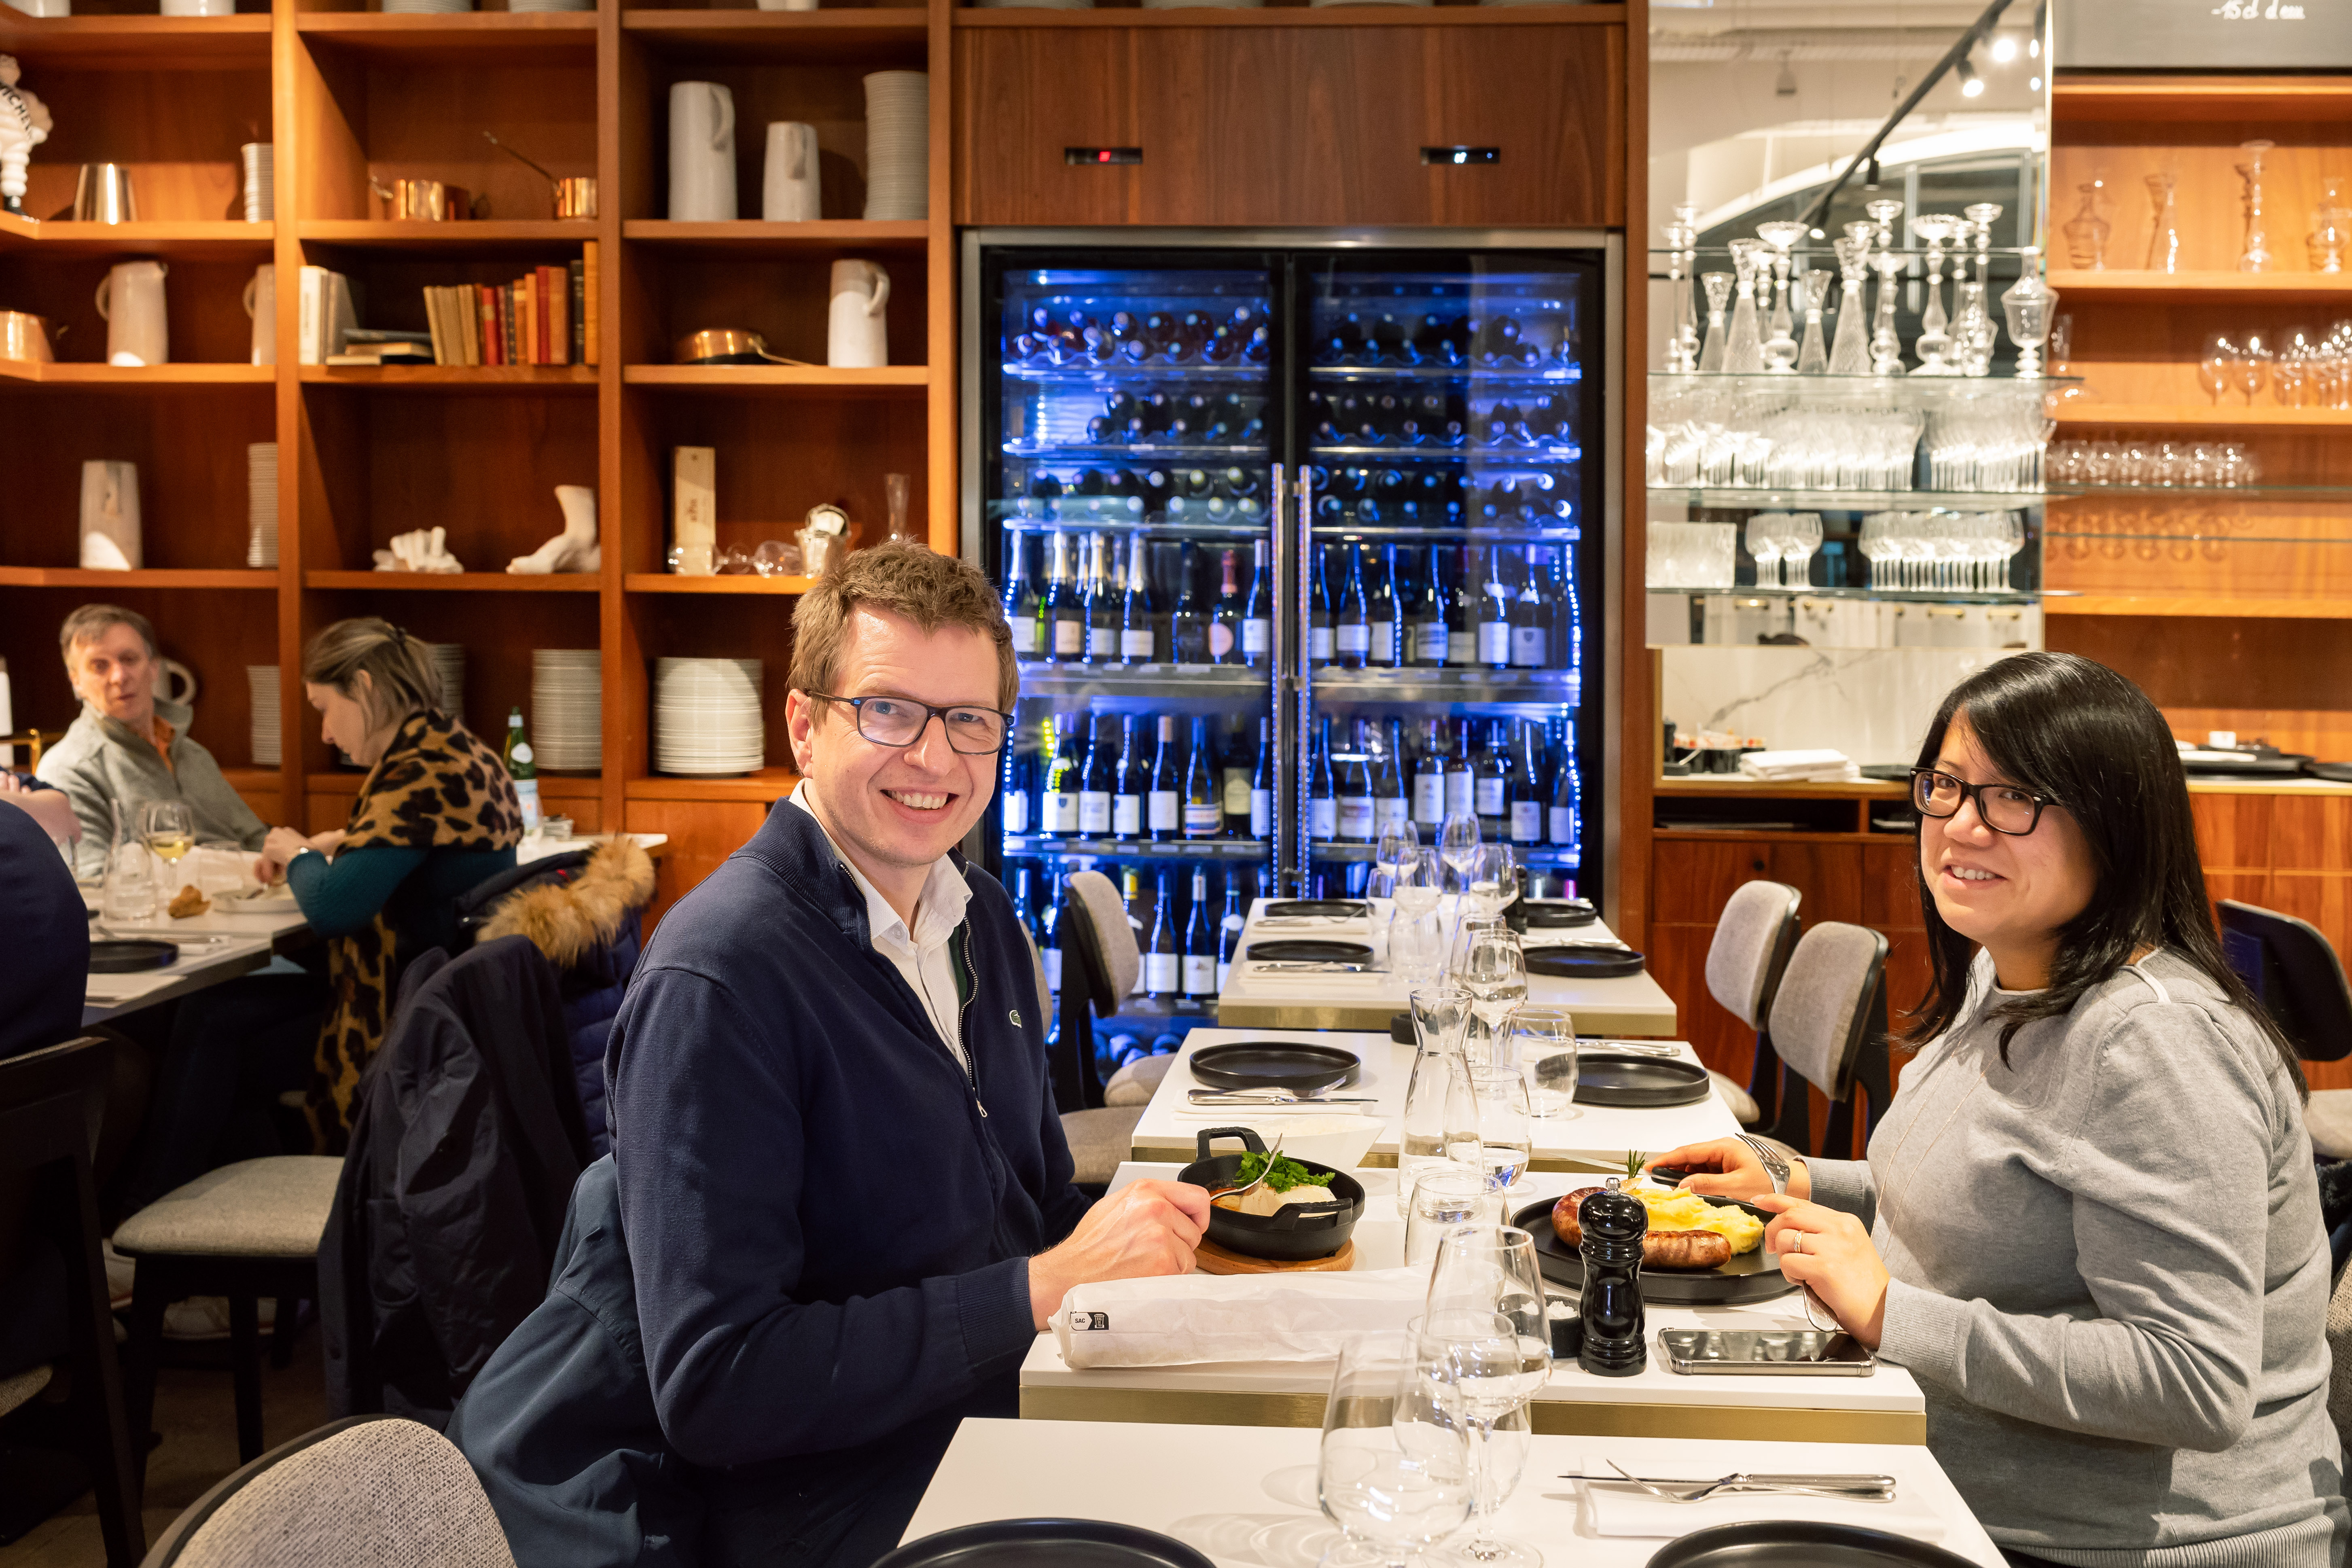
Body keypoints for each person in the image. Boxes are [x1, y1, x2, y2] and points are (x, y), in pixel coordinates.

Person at [1650, 652, 2344, 1568]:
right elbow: (2003, 1191)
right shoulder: (2005, 972)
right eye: (1944, 784)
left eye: (2011, 794)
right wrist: (1801, 1176)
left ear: (2114, 821)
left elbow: (2192, 1379)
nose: (1960, 824)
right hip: (1935, 1468)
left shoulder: (2154, 1045)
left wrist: (1894, 1310)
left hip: (2118, 1542)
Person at [594, 540, 1209, 1566]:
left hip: (1002, 1416)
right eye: (888, 710)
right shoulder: (720, 977)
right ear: (802, 722)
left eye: (969, 721)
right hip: (837, 1505)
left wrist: (1166, 1239)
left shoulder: (984, 924)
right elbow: (718, 1382)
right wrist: (1039, 1288)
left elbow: (1034, 1206)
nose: (934, 759)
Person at [264, 618, 523, 1146]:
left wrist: (297, 852)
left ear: (363, 687)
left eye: (323, 709)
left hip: (416, 1021)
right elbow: (423, 842)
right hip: (454, 1003)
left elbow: (336, 907)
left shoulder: (417, 770)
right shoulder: (456, 750)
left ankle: (147, 1204)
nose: (325, 734)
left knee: (212, 1026)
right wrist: (348, 841)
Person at [34, 604, 270, 876]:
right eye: (100, 666)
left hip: (248, 904)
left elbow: (257, 842)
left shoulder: (191, 752)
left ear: (155, 668)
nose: (119, 677)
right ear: (76, 682)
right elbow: (92, 881)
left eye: (129, 659)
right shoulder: (69, 770)